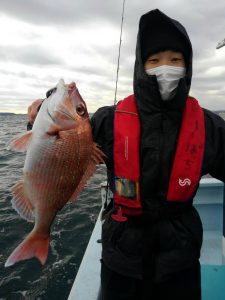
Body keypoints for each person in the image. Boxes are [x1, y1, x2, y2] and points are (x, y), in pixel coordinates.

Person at [27, 9, 225, 300]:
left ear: (188, 66)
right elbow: (66, 143)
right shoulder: (110, 119)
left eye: (175, 59)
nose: (165, 68)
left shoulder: (209, 126)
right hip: (122, 256)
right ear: (140, 67)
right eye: (154, 60)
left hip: (180, 257)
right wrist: (42, 111)